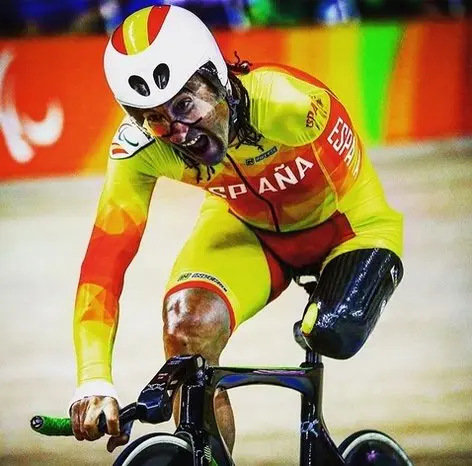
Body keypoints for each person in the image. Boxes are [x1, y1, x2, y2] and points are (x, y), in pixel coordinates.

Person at [69, 3, 404, 459]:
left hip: (346, 227)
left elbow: (353, 190)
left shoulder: (291, 104)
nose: (179, 132)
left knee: (330, 330)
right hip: (246, 227)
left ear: (217, 78)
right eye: (156, 118)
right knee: (186, 330)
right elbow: (103, 263)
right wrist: (93, 379)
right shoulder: (139, 150)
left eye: (184, 105)